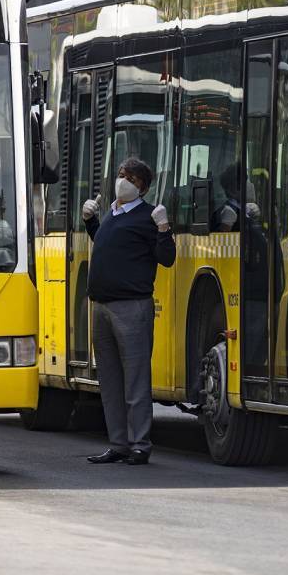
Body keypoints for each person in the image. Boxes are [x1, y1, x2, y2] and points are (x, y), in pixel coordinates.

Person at [82, 157, 175, 466]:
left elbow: (167, 258)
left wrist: (163, 228)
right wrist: (91, 223)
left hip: (131, 307)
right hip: (102, 306)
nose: (123, 181)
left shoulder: (148, 217)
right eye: (121, 175)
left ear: (143, 188)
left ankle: (139, 445)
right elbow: (110, 244)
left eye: (131, 179)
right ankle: (118, 443)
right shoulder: (113, 212)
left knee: (135, 380)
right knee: (109, 380)